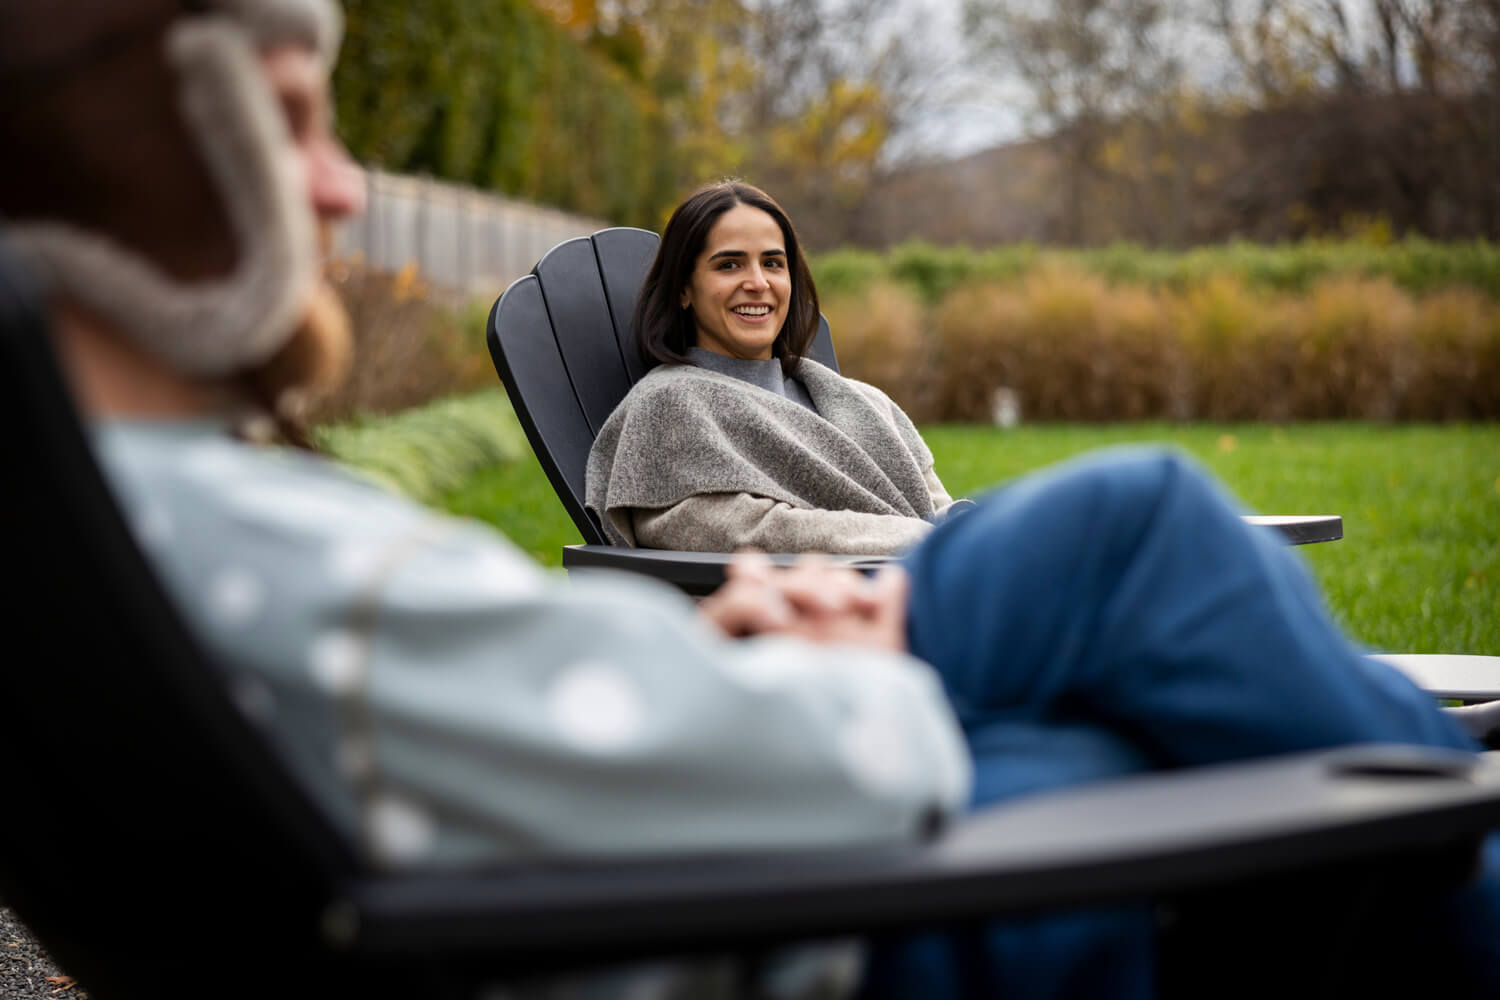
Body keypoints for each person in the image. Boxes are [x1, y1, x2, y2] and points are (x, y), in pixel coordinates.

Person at [4, 3, 1500, 998]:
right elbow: (813, 752)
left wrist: (734, 660)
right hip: (794, 909)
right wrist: (810, 660)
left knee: (1150, 637)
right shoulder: (290, 556)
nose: (340, 187)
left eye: (778, 263)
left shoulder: (143, 536)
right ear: (144, 158)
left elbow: (553, 722)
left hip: (746, 807)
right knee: (1148, 552)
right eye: (292, 124)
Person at [586, 180, 973, 555]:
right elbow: (744, 531)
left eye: (772, 263)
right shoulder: (670, 407)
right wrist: (927, 539)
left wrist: (967, 532)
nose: (758, 282)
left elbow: (940, 509)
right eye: (729, 265)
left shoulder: (867, 404)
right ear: (684, 288)